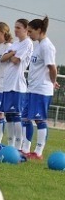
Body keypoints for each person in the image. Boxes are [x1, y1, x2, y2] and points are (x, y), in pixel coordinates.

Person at [21, 17, 58, 159]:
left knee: (39, 120)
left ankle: (38, 152)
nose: (29, 34)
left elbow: (52, 68)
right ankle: (25, 149)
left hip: (42, 90)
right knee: (25, 118)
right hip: (32, 89)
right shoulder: (38, 45)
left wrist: (52, 82)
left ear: (39, 30)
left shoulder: (47, 46)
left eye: (30, 31)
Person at [0, 19, 33, 149]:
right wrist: (11, 53)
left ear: (26, 29)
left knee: (17, 116)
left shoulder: (27, 43)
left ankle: (19, 146)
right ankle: (10, 144)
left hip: (17, 85)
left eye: (18, 27)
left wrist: (11, 54)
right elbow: (2, 59)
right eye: (15, 27)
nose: (15, 30)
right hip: (7, 84)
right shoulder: (14, 44)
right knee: (8, 115)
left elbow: (15, 60)